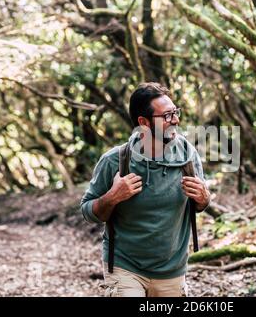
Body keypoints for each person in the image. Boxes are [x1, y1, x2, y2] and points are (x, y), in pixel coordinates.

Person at [80, 82, 210, 297]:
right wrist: (112, 197)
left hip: (172, 269)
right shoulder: (116, 161)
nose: (175, 120)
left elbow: (199, 204)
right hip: (125, 266)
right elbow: (87, 211)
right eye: (167, 116)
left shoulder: (187, 155)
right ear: (143, 122)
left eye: (175, 113)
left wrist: (204, 198)